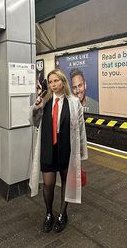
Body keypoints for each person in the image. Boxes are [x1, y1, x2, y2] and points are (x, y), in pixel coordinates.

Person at [29, 69, 88, 233]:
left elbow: (81, 130)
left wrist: (81, 153)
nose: (53, 84)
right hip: (48, 149)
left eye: (56, 81)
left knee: (66, 182)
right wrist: (36, 108)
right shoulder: (44, 101)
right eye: (50, 81)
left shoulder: (74, 102)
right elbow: (33, 121)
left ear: (63, 82)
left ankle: (62, 214)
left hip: (66, 150)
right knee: (48, 184)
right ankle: (49, 213)